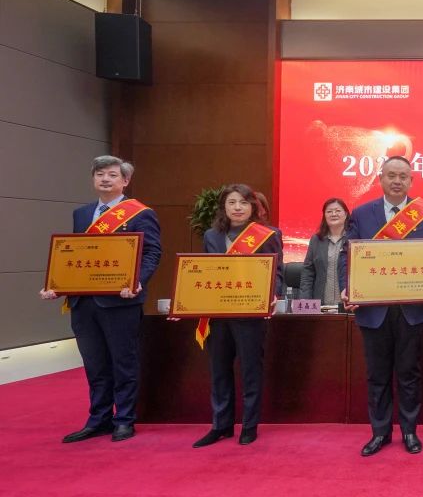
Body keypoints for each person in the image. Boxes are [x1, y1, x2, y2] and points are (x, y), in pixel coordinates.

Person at [41, 155, 162, 444]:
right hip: (83, 303)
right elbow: (75, 255)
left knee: (123, 362)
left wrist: (137, 281)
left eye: (112, 174)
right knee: (95, 364)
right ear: (93, 179)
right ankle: (99, 419)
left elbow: (152, 253)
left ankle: (125, 420)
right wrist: (57, 286)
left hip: (121, 302)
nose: (105, 179)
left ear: (125, 180)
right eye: (99, 174)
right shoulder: (81, 214)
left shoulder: (140, 214)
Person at [339, 156, 423, 457]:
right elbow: (348, 255)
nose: (397, 181)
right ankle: (380, 432)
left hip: (413, 309)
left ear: (411, 181)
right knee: (377, 374)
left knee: (409, 373)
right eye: (391, 175)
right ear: (381, 178)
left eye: (403, 176)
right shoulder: (362, 213)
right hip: (374, 309)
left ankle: (410, 431)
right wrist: (348, 287)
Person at [192, 184, 283, 448]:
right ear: (224, 207)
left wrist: (273, 294)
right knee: (219, 370)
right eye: (232, 202)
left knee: (251, 370)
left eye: (243, 203)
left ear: (253, 206)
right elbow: (204, 271)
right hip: (218, 314)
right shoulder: (211, 235)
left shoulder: (268, 234)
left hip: (250, 313)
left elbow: (276, 271)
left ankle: (249, 425)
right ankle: (221, 425)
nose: (237, 208)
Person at [300, 197, 350, 307]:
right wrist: (304, 301)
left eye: (338, 211)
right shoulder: (316, 240)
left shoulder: (353, 239)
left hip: (347, 305)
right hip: (321, 305)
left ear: (346, 214)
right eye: (329, 211)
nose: (333, 214)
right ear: (324, 216)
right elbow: (308, 272)